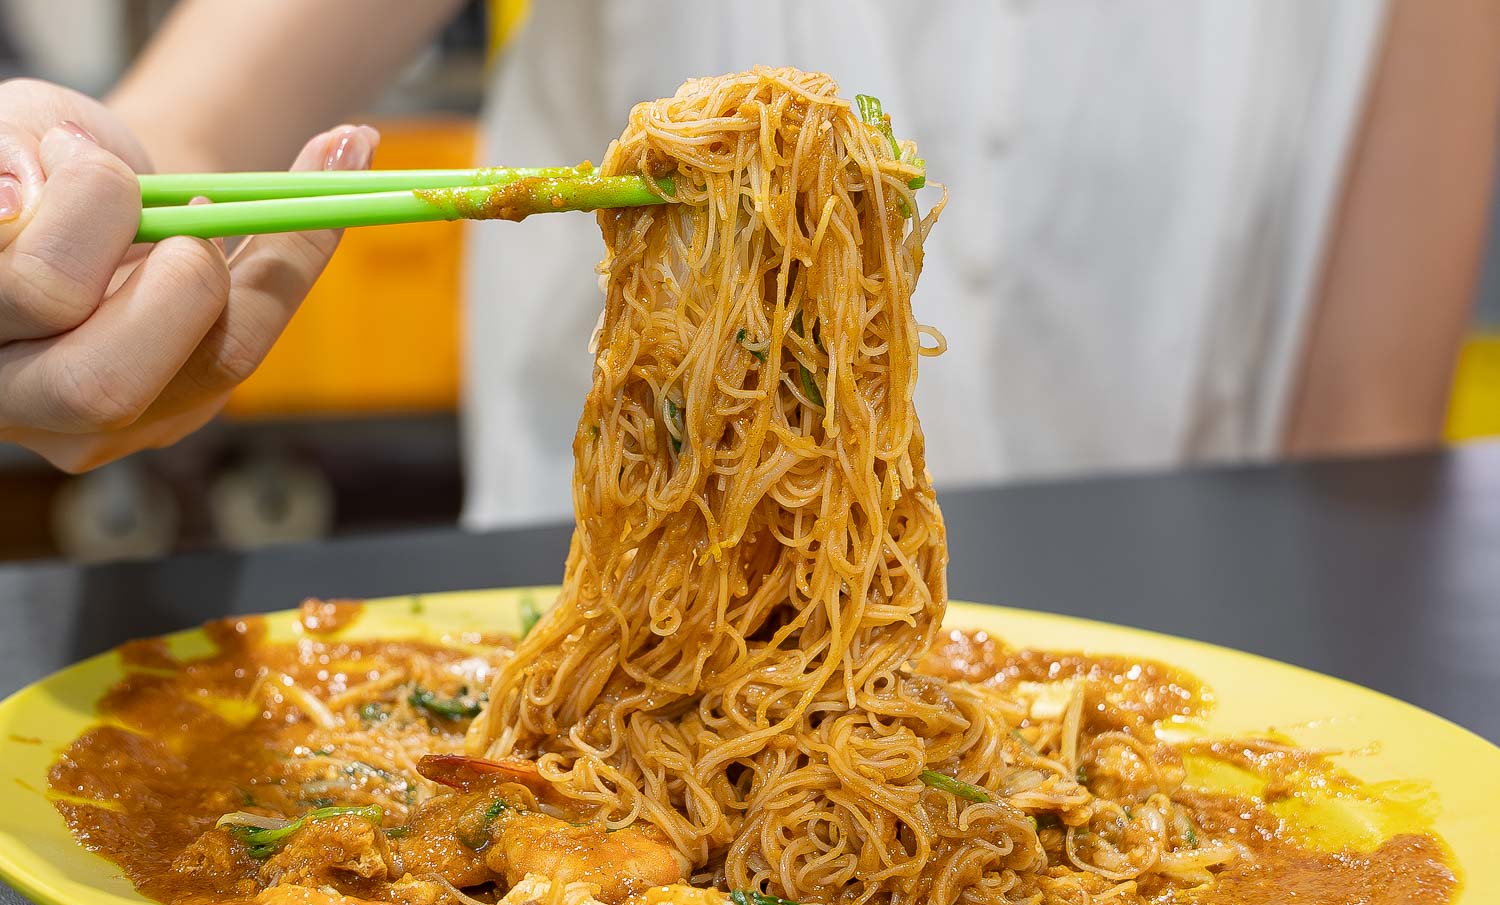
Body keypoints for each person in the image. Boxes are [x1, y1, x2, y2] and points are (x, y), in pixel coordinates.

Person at [0, 0, 1496, 528]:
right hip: (556, 649)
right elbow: (194, 123)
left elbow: (1357, 453)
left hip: (1146, 684)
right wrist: (87, 180)